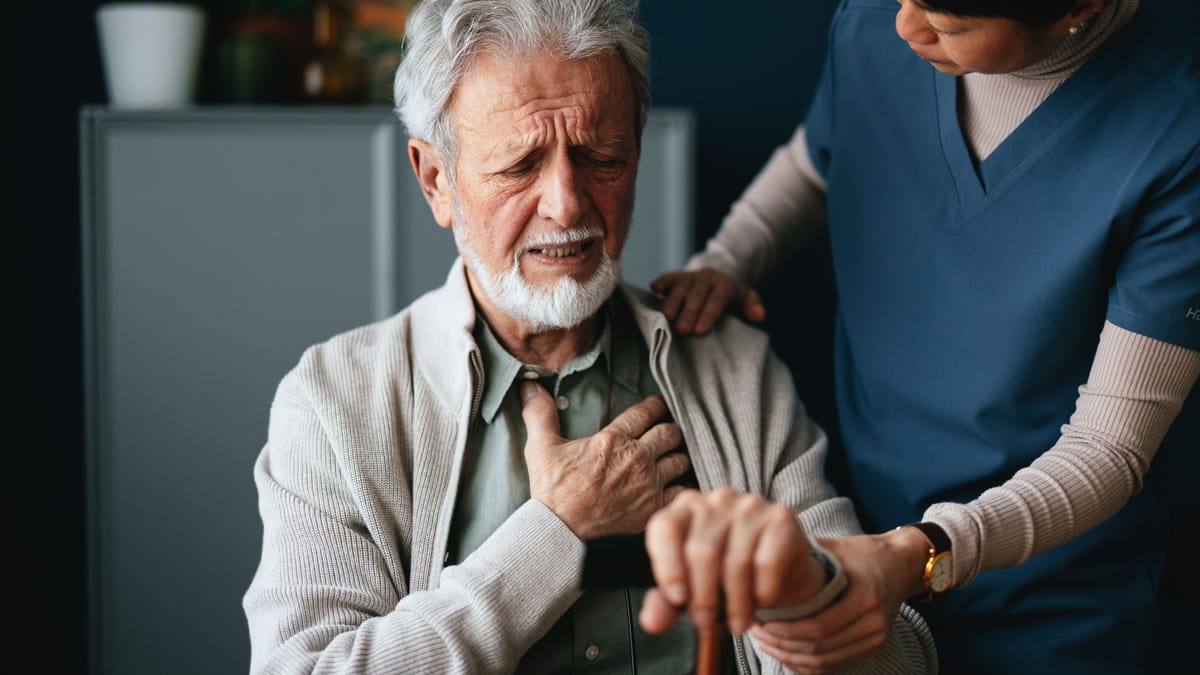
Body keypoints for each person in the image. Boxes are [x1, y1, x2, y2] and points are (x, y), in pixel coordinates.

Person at [242, 0, 938, 672]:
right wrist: (558, 528)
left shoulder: (732, 367)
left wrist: (805, 592)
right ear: (436, 181)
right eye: (520, 166)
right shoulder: (334, 401)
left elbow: (904, 660)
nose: (568, 203)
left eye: (601, 155)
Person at [651, 0, 1200, 672]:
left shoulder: (1179, 126)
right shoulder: (874, 24)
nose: (903, 27)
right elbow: (816, 157)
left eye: (950, 24)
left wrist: (923, 552)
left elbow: (1108, 448)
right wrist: (726, 261)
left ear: (1077, 10)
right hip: (856, 526)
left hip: (1049, 596)